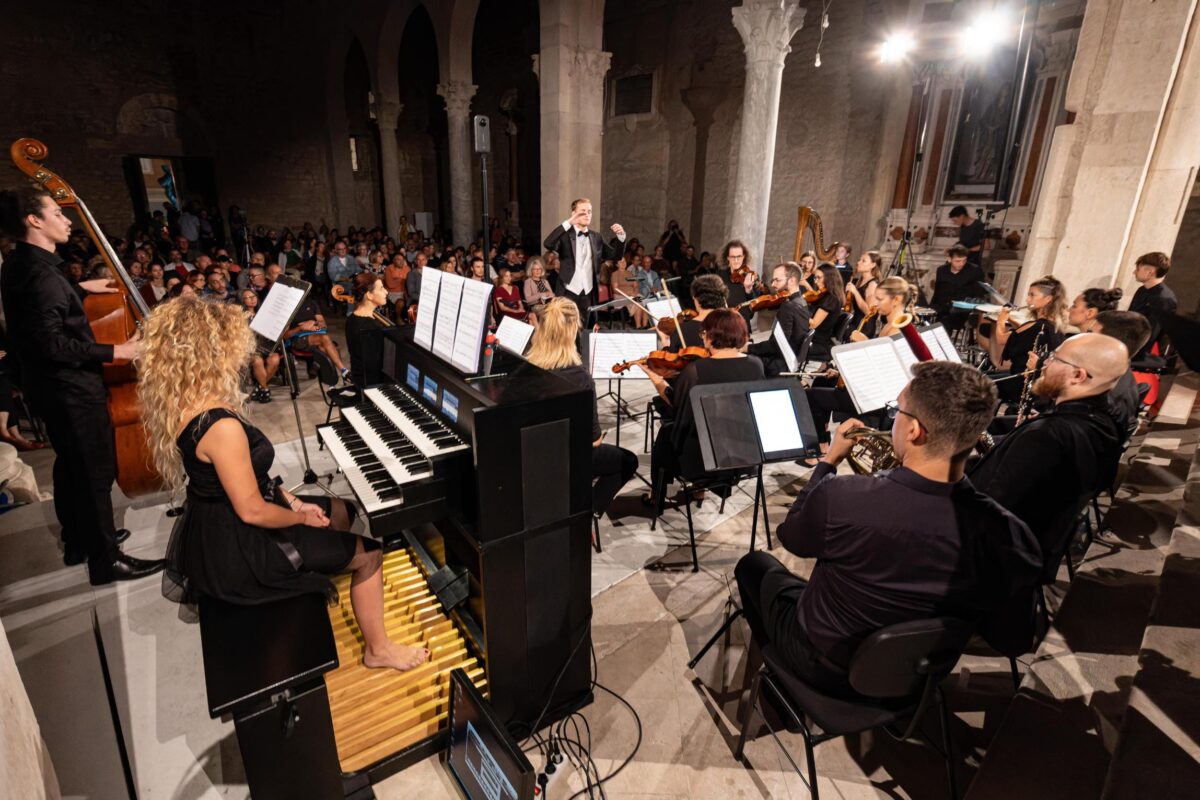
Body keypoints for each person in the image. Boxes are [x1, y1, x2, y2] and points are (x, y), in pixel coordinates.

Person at [137, 297, 427, 671]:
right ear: (212, 348)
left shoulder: (187, 400)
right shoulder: (219, 426)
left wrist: (293, 500)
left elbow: (250, 480)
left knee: (343, 509)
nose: (242, 350)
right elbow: (252, 510)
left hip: (225, 520)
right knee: (370, 554)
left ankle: (328, 569)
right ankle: (379, 650)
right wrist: (301, 518)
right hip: (241, 546)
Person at [735, 362, 1042, 696]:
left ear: (914, 431)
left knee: (754, 566)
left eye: (898, 411)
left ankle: (781, 686)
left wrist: (827, 464)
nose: (893, 419)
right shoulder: (1011, 534)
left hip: (827, 667)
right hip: (919, 676)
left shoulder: (843, 497)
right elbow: (1015, 638)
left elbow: (791, 536)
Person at [0, 186, 163, 583]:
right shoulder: (41, 275)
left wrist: (79, 290)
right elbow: (50, 342)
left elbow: (43, 313)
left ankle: (80, 540)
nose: (68, 219)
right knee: (94, 472)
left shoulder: (20, 263)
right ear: (33, 221)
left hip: (49, 390)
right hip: (71, 389)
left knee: (71, 466)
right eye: (57, 212)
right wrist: (119, 353)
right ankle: (106, 561)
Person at [969, 333, 1128, 573]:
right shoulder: (1103, 419)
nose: (1044, 363)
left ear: (1078, 375)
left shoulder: (1049, 436)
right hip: (1037, 546)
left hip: (994, 559)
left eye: (1054, 358)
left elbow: (988, 511)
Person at [524, 298, 637, 520]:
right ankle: (588, 512)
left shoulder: (527, 366)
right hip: (567, 458)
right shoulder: (579, 377)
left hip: (534, 455)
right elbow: (593, 441)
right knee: (628, 461)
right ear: (572, 330)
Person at [643, 310, 765, 505]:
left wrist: (656, 378)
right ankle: (703, 490)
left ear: (710, 336)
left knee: (667, 433)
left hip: (701, 460)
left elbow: (677, 406)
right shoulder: (756, 365)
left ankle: (657, 495)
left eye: (703, 333)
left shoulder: (695, 370)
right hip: (745, 456)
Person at [979, 275, 1066, 407]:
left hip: (1021, 383)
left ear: (1048, 299)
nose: (1027, 299)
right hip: (1035, 381)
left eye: (1032, 295)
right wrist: (1013, 322)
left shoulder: (1036, 326)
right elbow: (1025, 334)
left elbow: (1001, 339)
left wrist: (1001, 320)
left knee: (977, 382)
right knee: (983, 375)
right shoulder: (1053, 326)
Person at [543, 197, 627, 327]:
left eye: (589, 211)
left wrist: (621, 238)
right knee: (565, 331)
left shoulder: (596, 237)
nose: (587, 214)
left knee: (585, 330)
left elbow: (615, 255)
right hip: (568, 291)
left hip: (588, 292)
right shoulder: (565, 235)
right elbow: (548, 243)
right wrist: (568, 223)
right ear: (574, 213)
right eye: (583, 211)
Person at [1093, 310, 1152, 440]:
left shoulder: (1100, 394)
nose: (1085, 340)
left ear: (1110, 344)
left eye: (1091, 335)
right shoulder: (1122, 373)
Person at [746, 262, 812, 377]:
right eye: (773, 280)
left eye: (777, 280)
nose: (773, 284)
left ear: (791, 280)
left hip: (779, 365)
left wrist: (748, 347)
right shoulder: (802, 302)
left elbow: (776, 346)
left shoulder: (788, 307)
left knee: (741, 360)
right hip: (789, 359)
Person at [283, 291, 348, 380]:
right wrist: (301, 328)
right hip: (298, 339)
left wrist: (314, 324)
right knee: (325, 339)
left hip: (316, 335)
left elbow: (323, 326)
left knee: (323, 346)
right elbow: (285, 336)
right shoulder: (286, 308)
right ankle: (343, 371)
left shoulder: (311, 303)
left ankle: (327, 374)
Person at [1127, 251, 1177, 362]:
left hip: (1142, 354)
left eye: (1138, 269)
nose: (1134, 272)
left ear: (1150, 272)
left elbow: (1151, 334)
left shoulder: (1164, 299)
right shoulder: (1142, 290)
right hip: (1132, 346)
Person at [661, 274, 727, 353]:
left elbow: (672, 361)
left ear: (696, 298)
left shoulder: (682, 330)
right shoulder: (730, 324)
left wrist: (665, 344)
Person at [345, 272, 389, 388]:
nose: (386, 292)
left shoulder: (351, 319)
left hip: (358, 376)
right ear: (369, 295)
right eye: (381, 288)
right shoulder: (371, 328)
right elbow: (377, 365)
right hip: (371, 384)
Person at [239, 289, 282, 403]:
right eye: (248, 298)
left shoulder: (266, 313)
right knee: (257, 361)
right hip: (250, 348)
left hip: (266, 346)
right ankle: (265, 389)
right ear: (243, 301)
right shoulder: (240, 316)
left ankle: (259, 388)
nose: (252, 299)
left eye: (253, 296)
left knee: (275, 359)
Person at [930, 245, 985, 332]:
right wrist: (931, 307)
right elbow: (938, 292)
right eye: (958, 261)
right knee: (926, 321)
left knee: (945, 323)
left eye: (964, 260)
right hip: (942, 308)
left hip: (962, 311)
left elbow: (978, 294)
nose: (961, 264)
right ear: (949, 259)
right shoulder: (941, 270)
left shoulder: (974, 271)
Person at [807, 263, 846, 361]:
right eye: (815, 278)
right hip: (817, 336)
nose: (816, 281)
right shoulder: (827, 296)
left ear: (830, 278)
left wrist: (798, 311)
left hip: (817, 340)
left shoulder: (831, 299)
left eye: (819, 278)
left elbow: (813, 324)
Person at [844, 251, 883, 328]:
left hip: (864, 327)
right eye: (859, 260)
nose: (858, 262)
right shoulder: (860, 280)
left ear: (873, 265)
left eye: (863, 261)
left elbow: (869, 313)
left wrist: (855, 292)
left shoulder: (873, 284)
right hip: (855, 323)